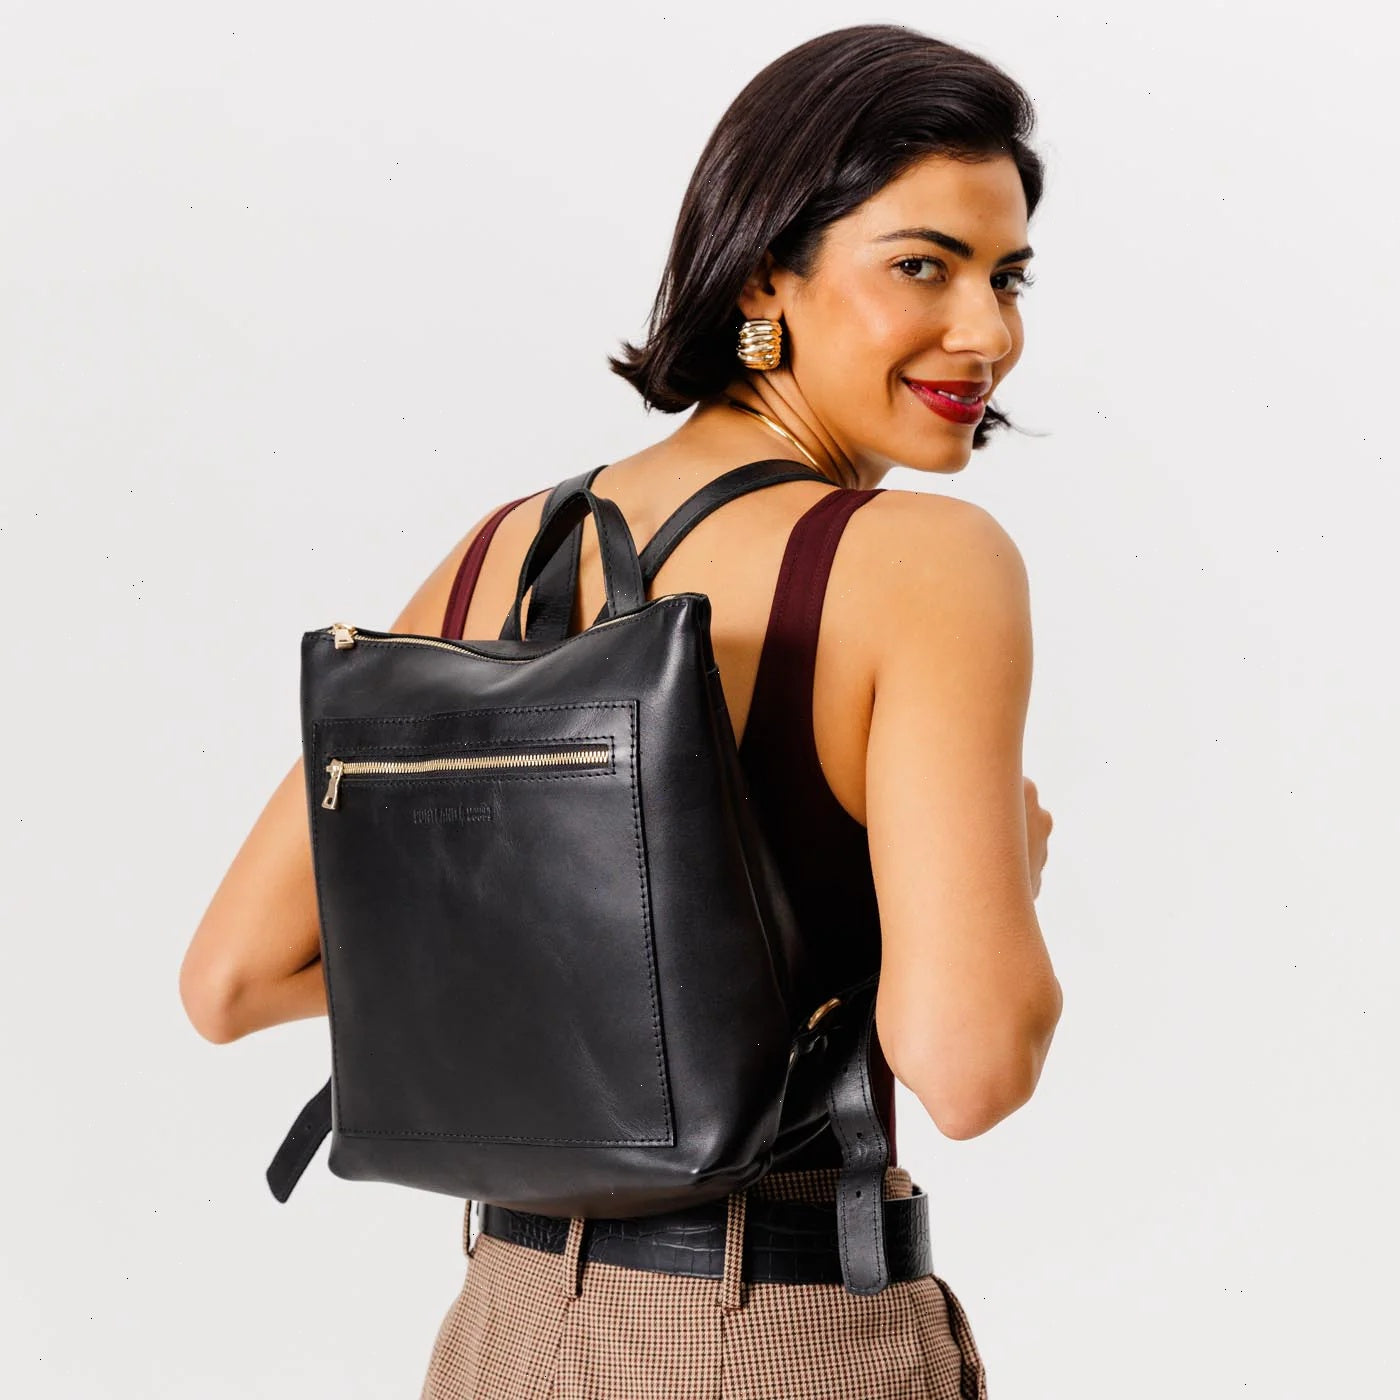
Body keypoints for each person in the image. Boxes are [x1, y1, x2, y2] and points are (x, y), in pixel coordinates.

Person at [179, 21, 1062, 1399]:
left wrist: (576, 976)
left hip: (503, 1323)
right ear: (765, 273)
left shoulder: (495, 552)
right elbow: (971, 1069)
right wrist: (1001, 867)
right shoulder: (922, 561)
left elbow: (231, 981)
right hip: (772, 1332)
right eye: (922, 266)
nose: (987, 332)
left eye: (1007, 277)